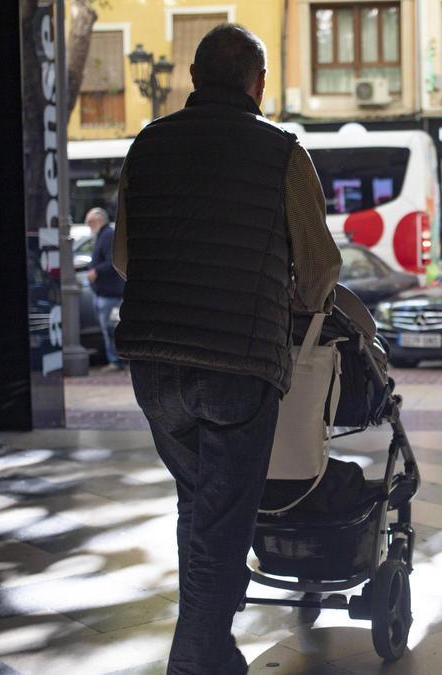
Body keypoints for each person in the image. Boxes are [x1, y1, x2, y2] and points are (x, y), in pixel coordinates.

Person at [112, 24, 341, 674]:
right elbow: (322, 269)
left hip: (155, 366)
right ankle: (196, 657)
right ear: (258, 84)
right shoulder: (282, 153)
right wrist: (300, 296)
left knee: (202, 506)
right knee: (221, 518)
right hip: (241, 365)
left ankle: (215, 649)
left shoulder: (148, 146)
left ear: (192, 78)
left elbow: (126, 258)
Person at [85, 207, 125, 371]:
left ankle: (115, 361)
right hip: (103, 292)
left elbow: (111, 262)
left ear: (99, 220)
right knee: (107, 328)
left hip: (109, 293)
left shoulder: (107, 235)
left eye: (90, 222)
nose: (89, 226)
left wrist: (96, 271)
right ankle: (114, 359)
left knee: (109, 329)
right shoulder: (102, 236)